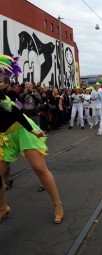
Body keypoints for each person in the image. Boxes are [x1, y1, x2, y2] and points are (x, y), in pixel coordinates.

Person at [0, 54, 63, 223]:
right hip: (3, 136)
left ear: (5, 83)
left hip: (21, 130)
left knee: (39, 168)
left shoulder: (2, 97)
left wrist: (33, 131)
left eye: (1, 78)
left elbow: (16, 114)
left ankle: (58, 205)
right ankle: (2, 207)